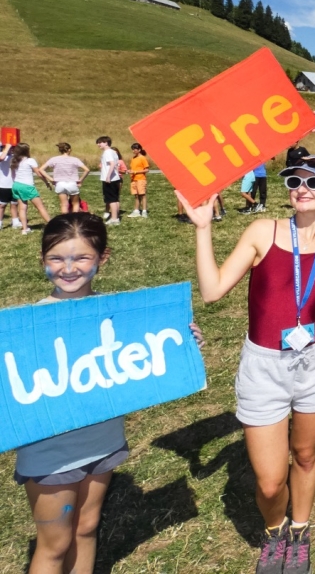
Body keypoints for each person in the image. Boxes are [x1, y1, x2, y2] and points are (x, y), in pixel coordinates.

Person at [179, 112, 315, 574]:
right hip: (263, 364)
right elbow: (213, 291)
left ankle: (300, 531)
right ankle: (274, 531)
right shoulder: (262, 232)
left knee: (306, 454)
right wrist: (202, 227)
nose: (301, 186)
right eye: (294, 179)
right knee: (271, 482)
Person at [16, 213, 203, 574]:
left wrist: (182, 343)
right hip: (50, 453)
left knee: (86, 529)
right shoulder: (26, 326)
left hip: (102, 443)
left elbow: (153, 350)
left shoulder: (118, 317)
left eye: (82, 257)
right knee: (54, 545)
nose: (68, 268)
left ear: (103, 258)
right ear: (42, 260)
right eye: (56, 258)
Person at [11, 144, 53, 235]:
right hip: (27, 186)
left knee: (22, 208)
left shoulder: (14, 160)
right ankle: (52, 225)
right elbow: (38, 173)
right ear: (26, 151)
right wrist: (46, 182)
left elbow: (13, 175)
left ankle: (24, 229)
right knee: (40, 207)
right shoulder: (30, 160)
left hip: (16, 185)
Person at [41, 143, 89, 215]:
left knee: (64, 205)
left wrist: (50, 179)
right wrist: (81, 180)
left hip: (60, 184)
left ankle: (65, 220)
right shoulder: (75, 159)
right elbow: (87, 170)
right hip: (72, 183)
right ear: (69, 150)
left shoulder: (54, 159)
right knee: (75, 204)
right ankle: (74, 220)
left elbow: (41, 169)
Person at [95, 137, 121, 226]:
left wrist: (108, 176)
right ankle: (116, 217)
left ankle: (114, 219)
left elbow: (112, 164)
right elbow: (116, 164)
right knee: (115, 198)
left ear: (106, 143)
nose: (98, 145)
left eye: (100, 143)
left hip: (110, 179)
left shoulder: (107, 152)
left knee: (111, 199)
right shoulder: (113, 152)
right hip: (115, 178)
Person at [126, 143, 150, 219]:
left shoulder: (142, 158)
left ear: (139, 150)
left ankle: (144, 211)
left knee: (142, 195)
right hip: (133, 179)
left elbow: (146, 169)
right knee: (136, 195)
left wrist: (136, 172)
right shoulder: (133, 158)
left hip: (140, 179)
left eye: (134, 149)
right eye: (132, 149)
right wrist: (130, 171)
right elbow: (134, 168)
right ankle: (136, 211)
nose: (133, 151)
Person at [0, 141, 14, 229]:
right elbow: (1, 158)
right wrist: (7, 148)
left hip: (14, 184)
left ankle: (15, 221)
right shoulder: (2, 154)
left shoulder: (11, 155)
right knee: (2, 205)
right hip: (3, 184)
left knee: (14, 204)